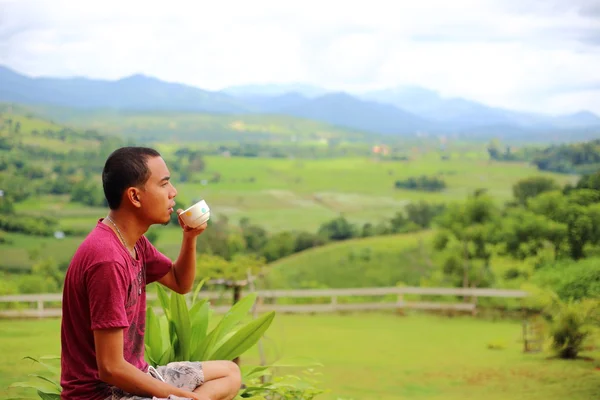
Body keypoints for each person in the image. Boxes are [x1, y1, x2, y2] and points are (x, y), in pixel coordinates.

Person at [60, 147, 241, 400]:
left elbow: (180, 282)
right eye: (164, 183)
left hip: (137, 376)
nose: (173, 192)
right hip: (105, 395)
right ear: (134, 196)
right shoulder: (107, 260)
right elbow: (111, 368)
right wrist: (178, 395)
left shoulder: (134, 242)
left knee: (229, 373)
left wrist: (189, 238)